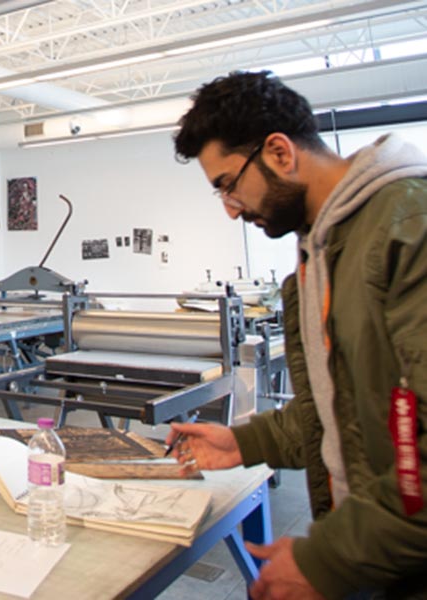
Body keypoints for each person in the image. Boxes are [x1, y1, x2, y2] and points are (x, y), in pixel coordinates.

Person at [169, 70, 427, 600]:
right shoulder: (320, 254)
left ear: (280, 153)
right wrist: (245, 441)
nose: (230, 208)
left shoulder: (409, 228)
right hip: (382, 560)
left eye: (228, 184)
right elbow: (344, 413)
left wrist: (328, 557)